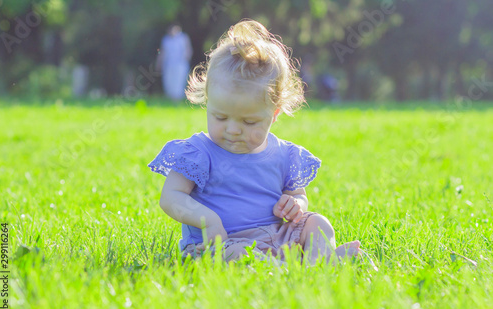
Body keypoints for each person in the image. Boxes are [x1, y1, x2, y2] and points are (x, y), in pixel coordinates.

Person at [148, 20, 360, 265]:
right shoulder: (198, 153)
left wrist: (294, 204)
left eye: (249, 122)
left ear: (275, 113)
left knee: (318, 223)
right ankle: (304, 267)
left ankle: (315, 263)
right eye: (220, 117)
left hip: (278, 237)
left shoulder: (284, 155)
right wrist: (208, 220)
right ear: (208, 102)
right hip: (222, 243)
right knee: (239, 256)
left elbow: (299, 196)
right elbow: (171, 197)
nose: (233, 129)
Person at [156, 24, 192, 101]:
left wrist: (186, 58)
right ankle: (170, 100)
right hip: (168, 65)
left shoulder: (183, 38)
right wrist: (159, 62)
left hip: (180, 65)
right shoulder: (166, 39)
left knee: (178, 83)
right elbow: (162, 52)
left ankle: (177, 101)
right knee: (168, 83)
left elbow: (188, 49)